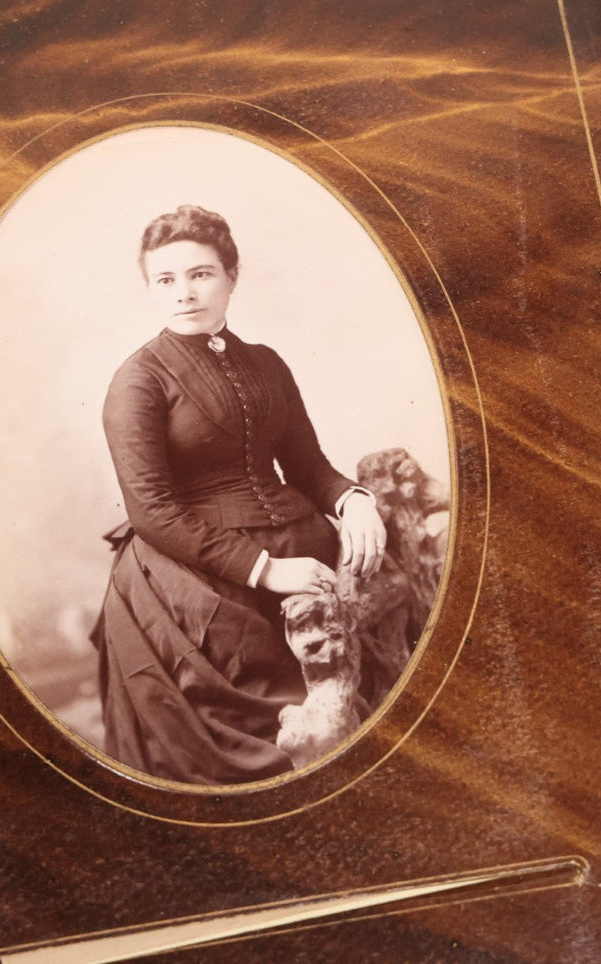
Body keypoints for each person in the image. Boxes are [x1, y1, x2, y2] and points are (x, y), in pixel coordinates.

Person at [90, 205, 388, 785]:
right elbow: (151, 511)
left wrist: (354, 500)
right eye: (165, 280)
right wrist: (267, 571)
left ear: (231, 275)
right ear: (150, 288)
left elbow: (308, 466)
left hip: (302, 543)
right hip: (194, 572)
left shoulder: (266, 363)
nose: (184, 293)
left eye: (200, 274)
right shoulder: (139, 379)